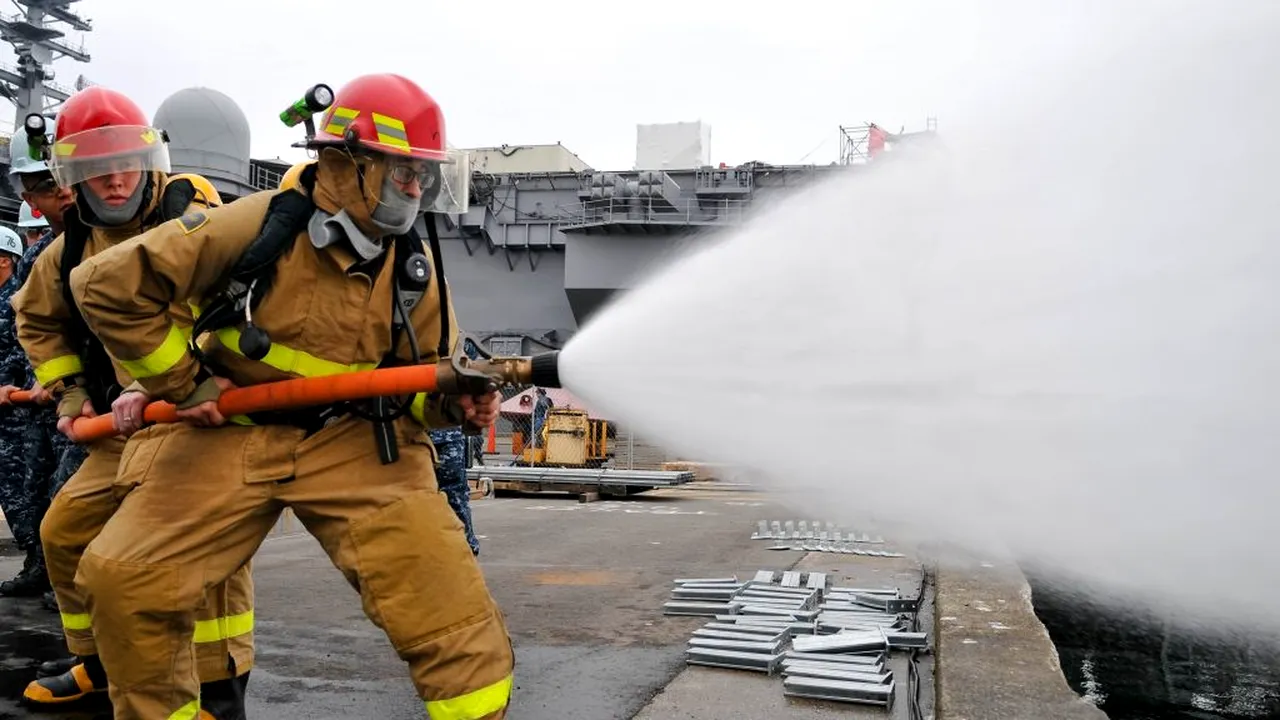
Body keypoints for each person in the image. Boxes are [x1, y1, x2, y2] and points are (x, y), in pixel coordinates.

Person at [65, 73, 513, 720]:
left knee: (451, 619)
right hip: (230, 428)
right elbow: (104, 286)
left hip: (353, 442)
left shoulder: (415, 266)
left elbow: (422, 378)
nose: (415, 191)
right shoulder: (251, 227)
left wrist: (456, 406)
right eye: (401, 173)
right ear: (342, 164)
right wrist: (183, 386)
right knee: (123, 579)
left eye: (423, 176)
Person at [12, 86, 255, 716]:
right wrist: (71, 396)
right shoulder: (69, 248)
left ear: (149, 159)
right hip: (134, 426)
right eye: (95, 165)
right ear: (72, 176)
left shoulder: (191, 211)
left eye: (124, 159)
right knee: (63, 533)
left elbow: (235, 303)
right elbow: (37, 321)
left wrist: (163, 378)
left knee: (203, 556)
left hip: (207, 413)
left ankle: (220, 694)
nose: (114, 177)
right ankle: (97, 661)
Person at [0, 121, 78, 611]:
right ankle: (41, 568)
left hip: (80, 397)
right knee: (32, 486)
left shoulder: (101, 242)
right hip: (38, 398)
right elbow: (24, 330)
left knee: (69, 496)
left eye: (43, 187)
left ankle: (72, 584)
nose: (41, 198)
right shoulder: (39, 259)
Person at [0, 225, 41, 593]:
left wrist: (4, 386)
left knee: (23, 490)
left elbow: (23, 347)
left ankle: (42, 565)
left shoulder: (17, 299)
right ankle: (36, 566)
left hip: (15, 410)